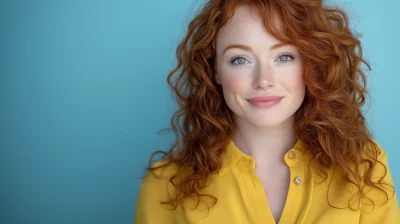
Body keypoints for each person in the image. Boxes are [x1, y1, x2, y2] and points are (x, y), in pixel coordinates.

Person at [134, 0, 399, 223]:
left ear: (311, 63)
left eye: (284, 57)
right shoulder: (165, 187)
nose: (264, 80)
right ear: (215, 70)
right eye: (240, 59)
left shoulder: (365, 168)